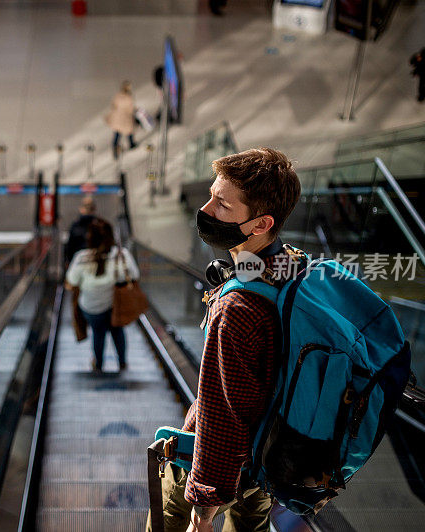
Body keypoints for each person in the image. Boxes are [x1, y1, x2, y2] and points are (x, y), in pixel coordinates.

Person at [146, 148, 301, 532]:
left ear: (261, 223)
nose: (206, 209)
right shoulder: (292, 264)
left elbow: (223, 417)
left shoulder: (236, 309)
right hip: (272, 451)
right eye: (212, 195)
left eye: (223, 205)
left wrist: (203, 507)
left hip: (217, 461)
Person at [65, 218, 139, 372]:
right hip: (115, 306)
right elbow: (134, 275)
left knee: (98, 332)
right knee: (117, 330)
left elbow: (71, 281)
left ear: (89, 238)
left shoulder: (81, 258)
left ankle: (98, 364)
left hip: (91, 308)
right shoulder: (121, 255)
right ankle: (123, 363)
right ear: (111, 236)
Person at [105, 80, 137, 159]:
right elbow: (131, 109)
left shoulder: (117, 96)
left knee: (117, 133)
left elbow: (113, 105)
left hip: (117, 118)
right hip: (125, 118)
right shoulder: (129, 97)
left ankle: (115, 149)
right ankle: (131, 144)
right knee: (129, 131)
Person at [64, 195, 98, 267]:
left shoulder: (75, 226)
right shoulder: (100, 225)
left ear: (81, 209)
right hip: (96, 263)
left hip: (78, 263)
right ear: (94, 209)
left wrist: (68, 262)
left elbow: (69, 247)